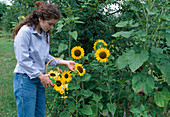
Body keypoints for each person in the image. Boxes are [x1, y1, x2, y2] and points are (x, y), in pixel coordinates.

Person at [12, 1, 75, 117]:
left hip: (39, 79)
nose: (51, 27)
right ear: (40, 18)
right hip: (25, 80)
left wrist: (64, 62)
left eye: (53, 25)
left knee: (41, 114)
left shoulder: (44, 34)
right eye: (50, 24)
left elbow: (45, 56)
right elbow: (22, 59)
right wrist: (41, 76)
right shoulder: (25, 32)